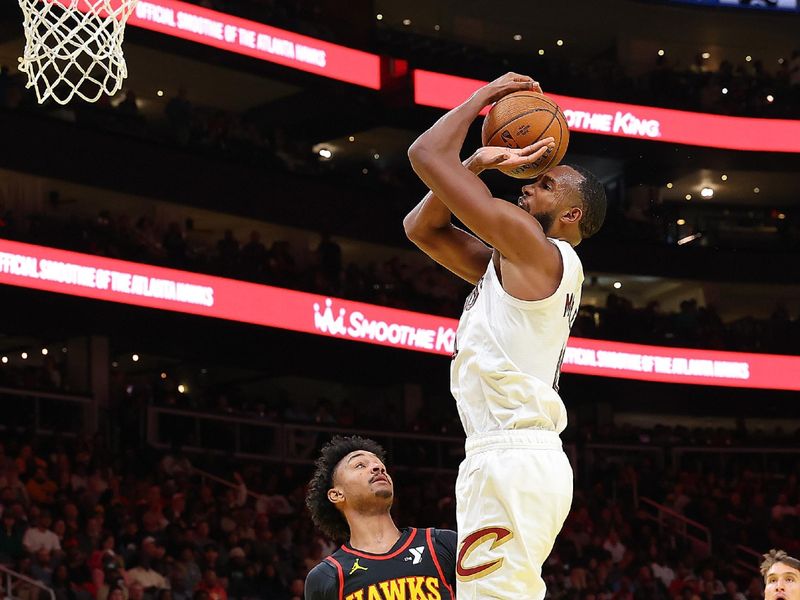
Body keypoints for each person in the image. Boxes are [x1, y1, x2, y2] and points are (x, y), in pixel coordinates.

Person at [404, 72, 607, 599]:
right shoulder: (518, 262)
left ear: (571, 213)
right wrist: (471, 166)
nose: (526, 183)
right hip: (507, 457)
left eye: (544, 184)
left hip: (512, 458)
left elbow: (425, 154)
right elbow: (421, 229)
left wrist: (483, 101)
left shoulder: (536, 249)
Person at [304, 435, 457, 600]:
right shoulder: (327, 577)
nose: (378, 468)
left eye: (380, 464)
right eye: (360, 465)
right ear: (336, 494)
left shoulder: (441, 543)